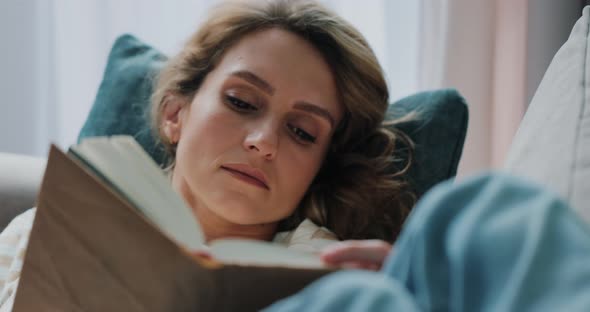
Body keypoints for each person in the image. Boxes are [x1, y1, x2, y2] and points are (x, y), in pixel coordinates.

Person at [0, 0, 415, 310]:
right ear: (175, 113)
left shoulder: (334, 282)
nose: (264, 142)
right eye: (241, 101)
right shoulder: (41, 232)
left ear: (320, 166)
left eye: (302, 132)